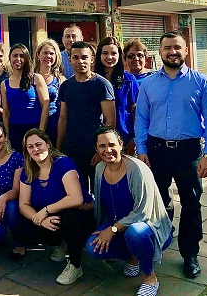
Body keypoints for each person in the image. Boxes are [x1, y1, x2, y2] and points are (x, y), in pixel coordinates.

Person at [135, 31, 207, 279]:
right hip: (157, 151)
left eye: (177, 47)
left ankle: (190, 254)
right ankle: (161, 240)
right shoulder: (149, 83)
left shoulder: (202, 82)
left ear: (186, 51)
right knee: (158, 201)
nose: (172, 52)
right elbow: (141, 118)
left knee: (192, 204)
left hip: (190, 152)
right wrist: (141, 150)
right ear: (159, 53)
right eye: (167, 48)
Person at [86, 127, 173, 296]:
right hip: (118, 223)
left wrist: (111, 230)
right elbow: (102, 203)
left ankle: (149, 276)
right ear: (96, 150)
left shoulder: (137, 169)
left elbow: (142, 213)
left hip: (147, 226)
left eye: (112, 144)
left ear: (121, 145)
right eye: (102, 146)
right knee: (92, 247)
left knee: (135, 233)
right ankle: (133, 257)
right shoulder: (99, 168)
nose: (107, 150)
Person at [11, 128, 94, 284]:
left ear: (48, 144)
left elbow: (76, 198)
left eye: (39, 144)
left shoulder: (63, 163)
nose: (35, 149)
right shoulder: (28, 171)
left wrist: (45, 211)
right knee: (21, 227)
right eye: (30, 147)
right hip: (50, 217)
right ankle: (60, 243)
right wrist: (40, 220)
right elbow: (23, 204)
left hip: (79, 213)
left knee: (70, 217)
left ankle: (75, 265)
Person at [57, 41, 115, 190]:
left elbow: (110, 121)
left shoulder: (102, 85)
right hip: (71, 148)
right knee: (76, 193)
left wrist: (100, 150)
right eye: (75, 57)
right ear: (69, 59)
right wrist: (58, 148)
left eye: (84, 57)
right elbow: (63, 118)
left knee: (100, 193)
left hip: (93, 149)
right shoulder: (66, 86)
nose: (80, 61)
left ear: (92, 59)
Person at [1, 43, 49, 153]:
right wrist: (6, 135)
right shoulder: (5, 84)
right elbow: (6, 112)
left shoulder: (36, 78)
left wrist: (40, 132)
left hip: (34, 128)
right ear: (10, 58)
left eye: (22, 56)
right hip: (15, 131)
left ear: (26, 58)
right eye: (15, 55)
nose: (18, 59)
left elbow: (45, 105)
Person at [95, 37, 139, 150]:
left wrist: (136, 138)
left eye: (113, 53)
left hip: (124, 139)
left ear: (119, 56)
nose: (109, 57)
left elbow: (137, 112)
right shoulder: (92, 80)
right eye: (105, 53)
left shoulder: (129, 80)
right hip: (96, 140)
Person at [33, 39, 66, 146]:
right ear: (38, 54)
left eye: (51, 53)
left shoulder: (61, 80)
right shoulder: (29, 77)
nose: (48, 56)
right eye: (45, 53)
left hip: (54, 124)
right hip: (33, 122)